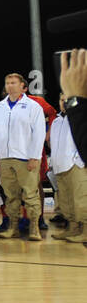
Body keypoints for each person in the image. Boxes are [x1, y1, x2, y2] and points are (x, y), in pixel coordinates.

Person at [0, 72, 47, 241]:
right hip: (5, 158)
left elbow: (39, 132)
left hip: (26, 157)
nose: (10, 86)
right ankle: (13, 227)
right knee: (10, 195)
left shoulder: (33, 106)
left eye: (13, 82)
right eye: (7, 83)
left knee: (30, 194)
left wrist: (35, 156)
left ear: (23, 86)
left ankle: (34, 227)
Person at [49, 94, 86, 243]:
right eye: (61, 100)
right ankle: (72, 228)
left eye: (67, 100)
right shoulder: (57, 121)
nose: (64, 103)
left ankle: (85, 231)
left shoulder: (81, 118)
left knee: (81, 200)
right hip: (59, 165)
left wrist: (78, 160)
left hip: (76, 165)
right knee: (65, 201)